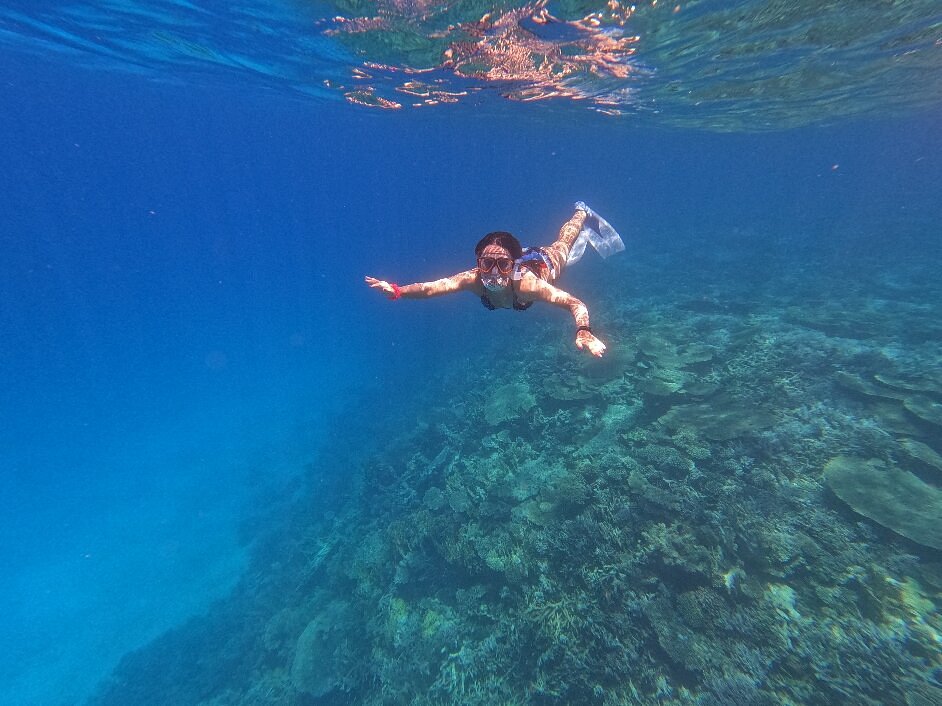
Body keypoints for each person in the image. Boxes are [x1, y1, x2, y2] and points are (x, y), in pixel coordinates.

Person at [365, 202, 624, 357]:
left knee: (563, 245)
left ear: (511, 266)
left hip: (544, 262)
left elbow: (575, 303)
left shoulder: (527, 284)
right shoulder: (473, 279)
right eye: (487, 264)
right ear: (478, 263)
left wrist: (584, 331)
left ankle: (580, 212)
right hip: (521, 257)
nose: (493, 272)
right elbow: (432, 288)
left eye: (502, 265)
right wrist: (397, 291)